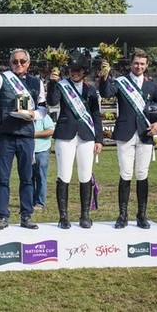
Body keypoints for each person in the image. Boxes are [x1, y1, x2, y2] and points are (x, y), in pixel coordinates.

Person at [98, 49, 157, 229]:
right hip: (125, 133)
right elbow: (106, 92)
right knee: (125, 174)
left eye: (142, 63)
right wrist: (104, 75)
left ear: (146, 66)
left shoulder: (151, 86)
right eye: (136, 63)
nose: (139, 66)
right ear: (131, 63)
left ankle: (142, 215)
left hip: (145, 134)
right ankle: (122, 215)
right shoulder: (121, 82)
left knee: (142, 174)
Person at [0, 47, 46, 230]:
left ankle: (26, 216)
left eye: (22, 61)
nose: (19, 64)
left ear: (28, 63)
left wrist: (33, 114)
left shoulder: (36, 82)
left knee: (27, 178)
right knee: (3, 178)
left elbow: (43, 108)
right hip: (5, 136)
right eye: (15, 61)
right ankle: (2, 217)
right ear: (10, 63)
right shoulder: (2, 79)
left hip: (26, 136)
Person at [47, 52, 104, 229]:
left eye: (78, 70)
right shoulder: (61, 86)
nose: (74, 73)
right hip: (65, 135)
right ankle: (63, 216)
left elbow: (96, 115)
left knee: (85, 175)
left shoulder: (91, 89)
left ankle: (84, 215)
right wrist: (52, 83)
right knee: (64, 175)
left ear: (84, 71)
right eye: (71, 70)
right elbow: (52, 101)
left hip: (86, 135)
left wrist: (99, 139)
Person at [32, 113, 54, 212]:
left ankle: (40, 202)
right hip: (28, 151)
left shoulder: (44, 116)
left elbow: (51, 130)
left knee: (41, 177)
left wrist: (35, 134)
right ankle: (29, 201)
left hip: (42, 150)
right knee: (28, 178)